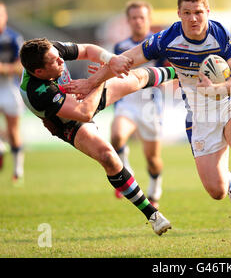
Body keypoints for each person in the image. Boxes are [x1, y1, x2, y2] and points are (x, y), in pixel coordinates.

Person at [65, 0, 231, 254]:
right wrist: (92, 81)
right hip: (200, 115)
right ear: (179, 14)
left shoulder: (220, 34)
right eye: (187, 13)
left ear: (207, 12)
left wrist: (218, 89)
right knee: (217, 191)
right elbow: (126, 59)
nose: (193, 18)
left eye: (198, 12)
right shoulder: (167, 38)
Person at [19, 38, 176, 235]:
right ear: (39, 72)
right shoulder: (36, 91)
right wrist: (99, 79)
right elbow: (85, 113)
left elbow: (86, 49)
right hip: (68, 120)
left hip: (84, 93)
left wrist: (110, 60)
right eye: (55, 61)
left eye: (59, 57)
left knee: (137, 79)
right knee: (108, 157)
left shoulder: (51, 50)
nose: (61, 60)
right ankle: (153, 215)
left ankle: (181, 72)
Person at [111, 0, 166, 207]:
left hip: (150, 105)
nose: (137, 21)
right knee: (116, 136)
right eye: (133, 18)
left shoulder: (158, 42)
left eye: (141, 17)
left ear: (148, 19)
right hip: (127, 102)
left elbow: (167, 71)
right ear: (128, 21)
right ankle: (125, 171)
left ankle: (155, 187)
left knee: (152, 159)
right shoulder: (121, 47)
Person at [0, 1, 25, 185]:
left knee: (14, 130)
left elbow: (21, 66)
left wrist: (4, 68)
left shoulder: (14, 38)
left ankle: (18, 168)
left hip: (10, 88)